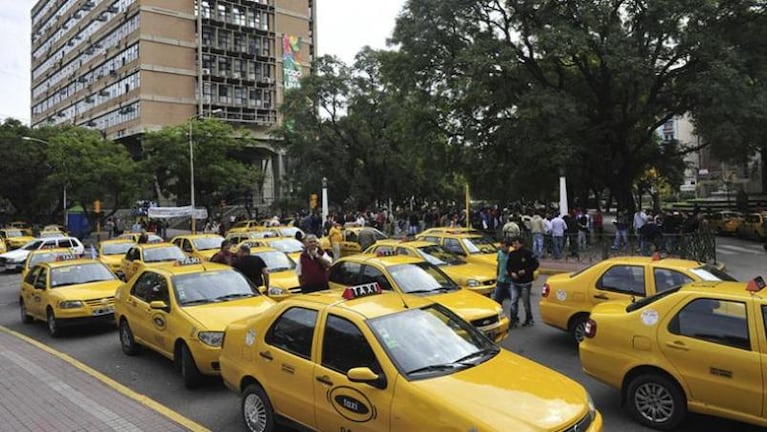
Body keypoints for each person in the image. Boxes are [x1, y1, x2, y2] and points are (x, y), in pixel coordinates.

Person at [507, 236, 539, 327]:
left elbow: (535, 264)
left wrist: (525, 271)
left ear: (521, 244)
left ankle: (529, 319)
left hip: (525, 282)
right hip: (514, 282)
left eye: (516, 243)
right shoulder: (512, 254)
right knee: (513, 301)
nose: (514, 245)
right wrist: (511, 273)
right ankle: (513, 320)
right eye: (513, 244)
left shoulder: (528, 253)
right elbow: (508, 266)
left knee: (525, 302)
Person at [491, 239, 512, 305]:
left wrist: (510, 272)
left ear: (508, 247)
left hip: (510, 281)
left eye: (504, 247)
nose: (502, 248)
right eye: (501, 247)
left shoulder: (512, 255)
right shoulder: (500, 253)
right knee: (497, 298)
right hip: (501, 280)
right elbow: (499, 265)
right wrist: (497, 275)